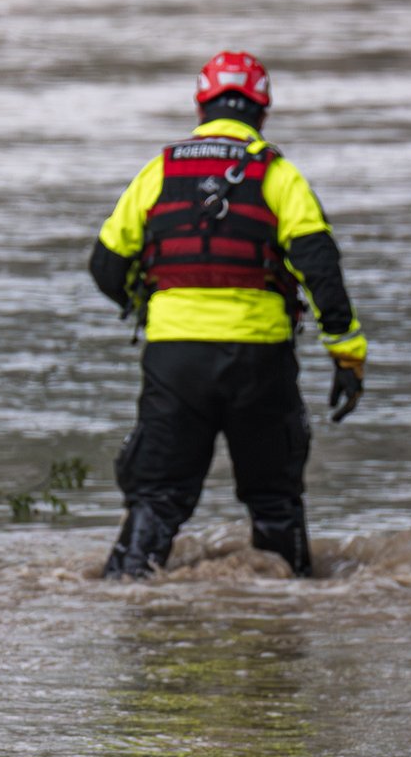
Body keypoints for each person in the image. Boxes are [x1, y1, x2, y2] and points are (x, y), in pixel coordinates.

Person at [90, 51, 368, 579]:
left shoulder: (159, 171)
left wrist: (144, 304)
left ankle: (122, 606)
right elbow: (321, 269)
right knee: (274, 500)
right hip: (259, 360)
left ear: (201, 107)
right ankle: (286, 615)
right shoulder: (279, 175)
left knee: (157, 499)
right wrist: (347, 357)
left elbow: (105, 264)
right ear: (261, 112)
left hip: (174, 361)